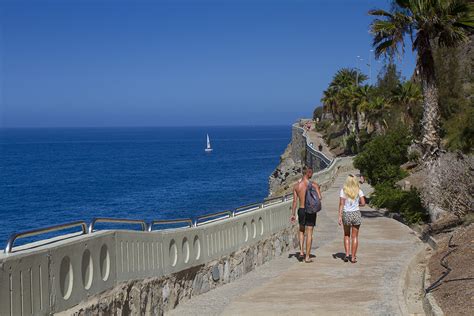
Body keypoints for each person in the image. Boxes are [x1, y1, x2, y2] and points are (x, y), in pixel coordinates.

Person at [290, 166, 322, 263]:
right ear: (308, 173)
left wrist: (293, 214)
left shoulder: (296, 186)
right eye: (311, 172)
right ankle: (307, 257)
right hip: (311, 211)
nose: (312, 174)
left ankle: (301, 252)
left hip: (301, 209)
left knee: (301, 231)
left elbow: (295, 202)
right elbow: (320, 198)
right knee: (309, 234)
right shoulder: (314, 185)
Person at [338, 174, 366, 263]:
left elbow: (341, 204)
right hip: (356, 213)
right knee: (355, 236)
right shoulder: (359, 190)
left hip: (346, 214)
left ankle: (346, 254)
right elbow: (363, 203)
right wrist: (357, 204)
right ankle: (353, 257)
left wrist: (339, 216)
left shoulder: (343, 191)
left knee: (346, 234)